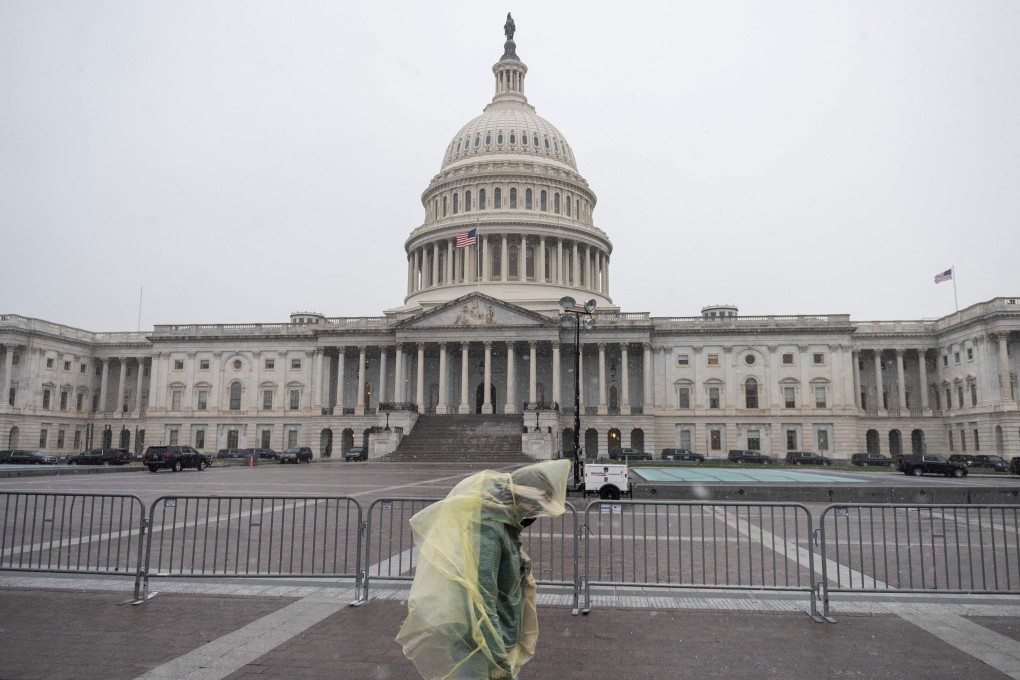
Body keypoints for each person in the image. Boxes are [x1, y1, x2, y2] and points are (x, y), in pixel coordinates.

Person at [397, 459, 571, 679]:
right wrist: (497, 657)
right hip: (481, 649)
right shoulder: (489, 531)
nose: (534, 515)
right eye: (534, 507)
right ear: (523, 501)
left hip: (493, 643)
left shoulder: (504, 525)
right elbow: (481, 598)